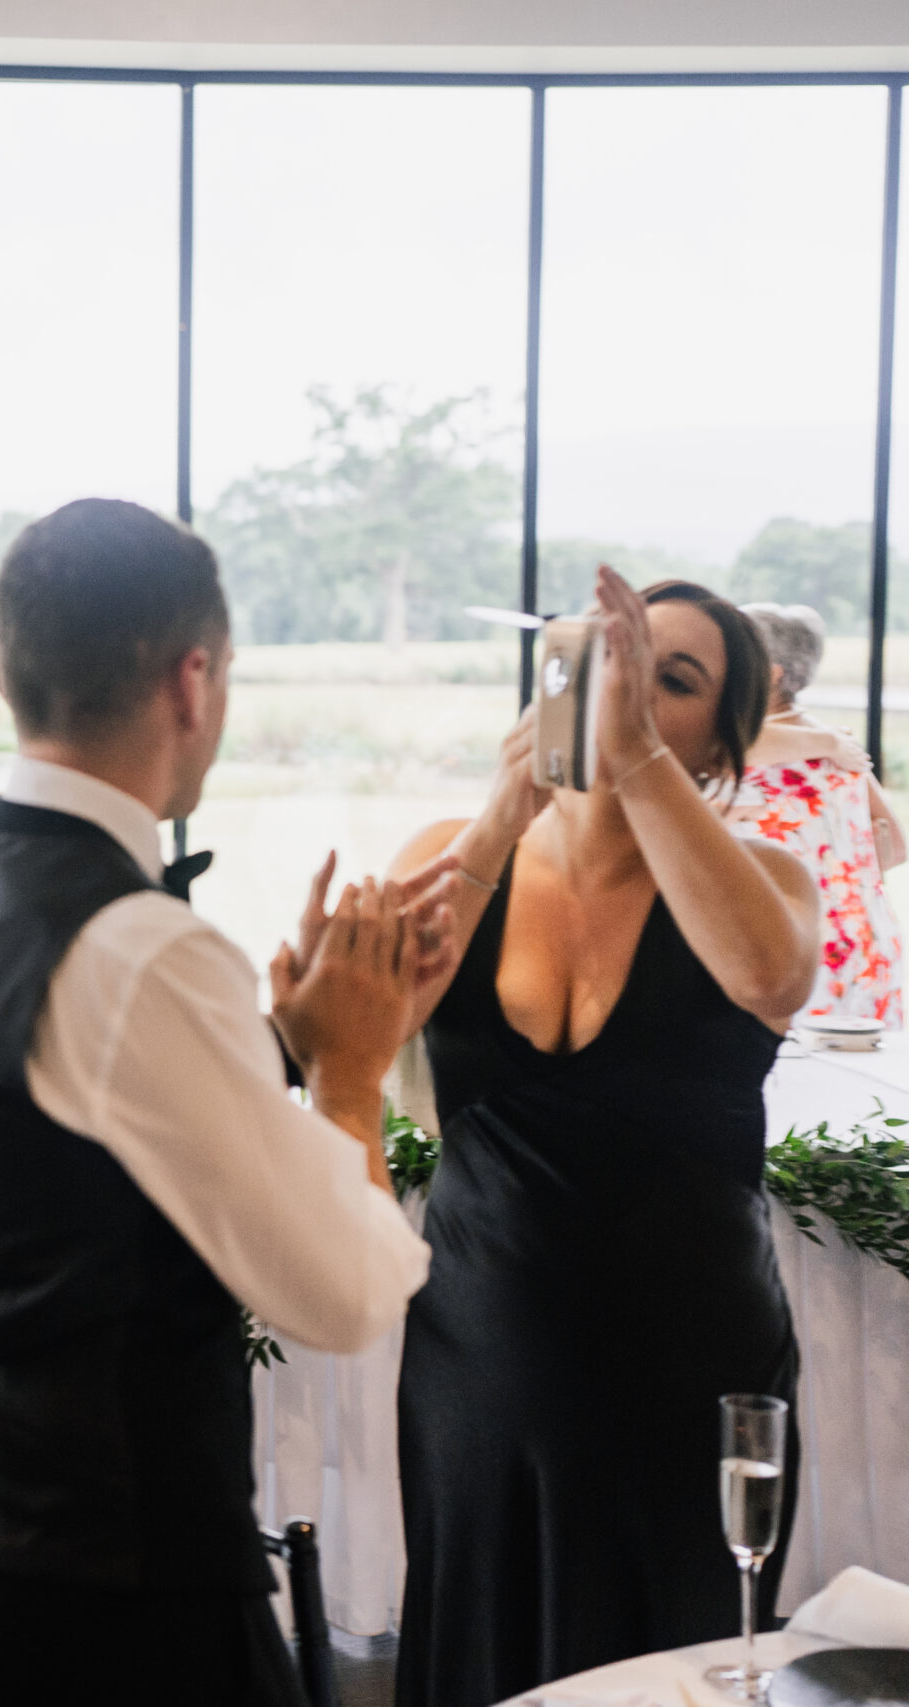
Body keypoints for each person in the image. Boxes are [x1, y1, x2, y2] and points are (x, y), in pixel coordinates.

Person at [0, 499, 436, 1707]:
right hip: (113, 1584)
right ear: (193, 680)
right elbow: (345, 1296)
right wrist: (348, 1072)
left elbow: (45, 1159)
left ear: (4, 672)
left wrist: (268, 1043)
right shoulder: (142, 948)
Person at [388, 570, 818, 1707]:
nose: (624, 696)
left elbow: (770, 978)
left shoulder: (765, 880)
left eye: (668, 680)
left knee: (670, 1659)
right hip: (478, 1351)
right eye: (601, 670)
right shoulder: (449, 847)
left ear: (720, 745)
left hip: (690, 1361)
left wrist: (627, 755)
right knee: (481, 1641)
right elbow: (361, 1025)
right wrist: (504, 800)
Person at [734, 601, 904, 1027]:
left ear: (770, 674)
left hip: (793, 948)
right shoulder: (830, 743)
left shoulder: (742, 749)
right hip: (861, 945)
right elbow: (896, 845)